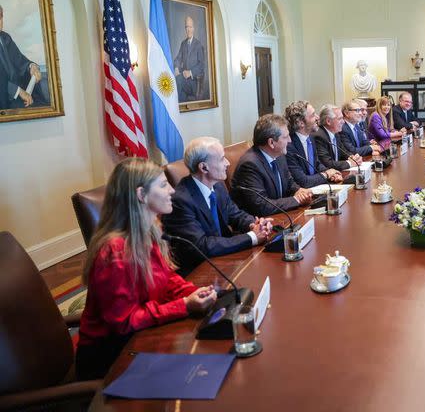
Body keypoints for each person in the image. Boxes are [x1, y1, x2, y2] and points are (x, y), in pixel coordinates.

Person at [76, 158, 218, 379]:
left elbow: (166, 278)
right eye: (163, 185)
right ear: (141, 195)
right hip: (110, 357)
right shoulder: (115, 252)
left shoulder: (149, 230)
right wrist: (183, 306)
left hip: (140, 337)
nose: (172, 190)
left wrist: (191, 292)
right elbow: (124, 323)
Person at [161, 137, 273, 276]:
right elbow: (202, 246)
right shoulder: (180, 201)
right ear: (203, 167)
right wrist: (252, 237)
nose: (228, 163)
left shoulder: (217, 186)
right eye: (221, 159)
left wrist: (255, 224)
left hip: (225, 262)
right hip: (200, 273)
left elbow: (235, 215)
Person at [231, 114, 314, 217]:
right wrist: (296, 200)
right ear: (271, 143)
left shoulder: (279, 155)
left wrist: (299, 191)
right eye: (285, 137)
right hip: (261, 224)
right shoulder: (250, 165)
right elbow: (262, 206)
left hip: (281, 216)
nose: (290, 140)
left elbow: (289, 182)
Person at [284, 100, 343, 188]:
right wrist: (326, 175)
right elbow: (303, 181)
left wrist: (332, 173)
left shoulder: (310, 137)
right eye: (313, 115)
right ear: (301, 123)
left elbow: (316, 164)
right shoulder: (289, 146)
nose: (317, 117)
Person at [0, 4, 46, 109]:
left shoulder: (5, 38)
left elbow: (19, 60)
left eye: (0, 16)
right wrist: (18, 91)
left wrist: (31, 66)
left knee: (43, 106)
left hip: (18, 93)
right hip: (5, 98)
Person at [313, 103, 364, 171]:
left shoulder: (336, 133)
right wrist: (350, 163)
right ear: (328, 121)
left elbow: (343, 152)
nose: (343, 122)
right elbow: (327, 163)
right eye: (340, 119)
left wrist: (352, 157)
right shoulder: (319, 136)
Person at [173, 15, 207, 102]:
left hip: (194, 82)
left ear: (193, 28)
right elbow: (177, 59)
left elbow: (201, 65)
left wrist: (190, 72)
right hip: (184, 80)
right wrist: (176, 67)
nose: (188, 30)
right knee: (181, 95)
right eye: (186, 27)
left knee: (178, 80)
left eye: (190, 27)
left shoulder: (198, 45)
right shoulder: (183, 44)